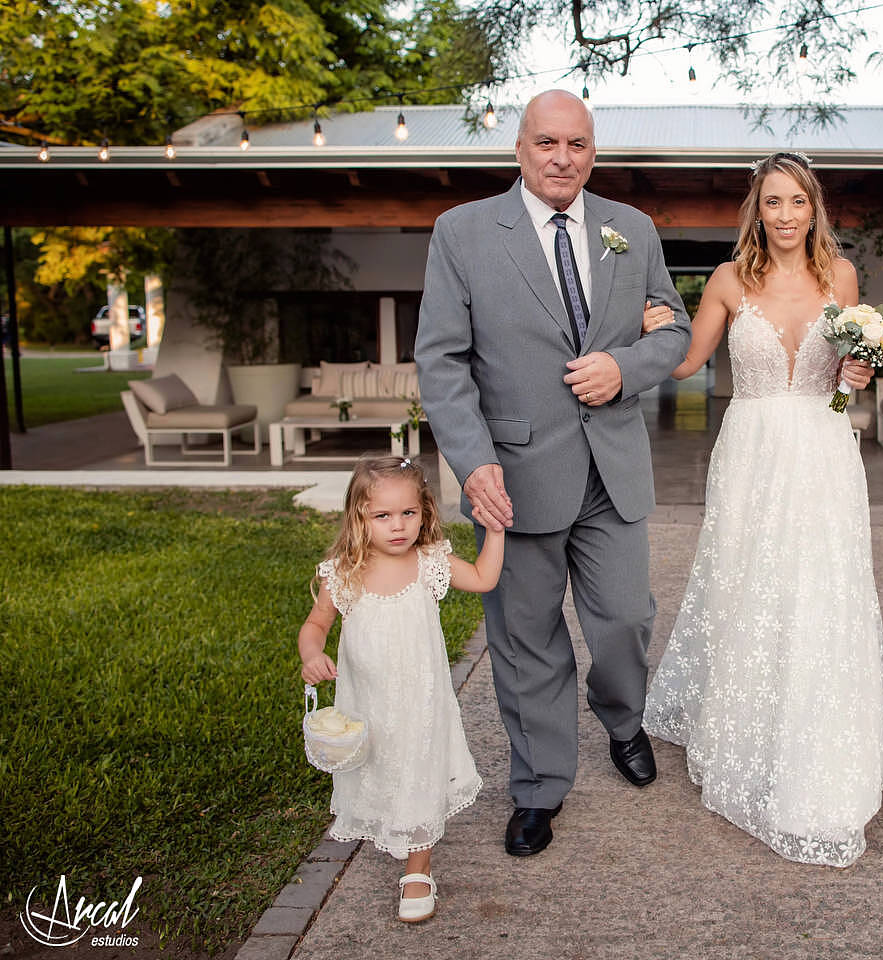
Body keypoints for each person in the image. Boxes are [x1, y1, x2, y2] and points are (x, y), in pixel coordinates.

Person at [414, 89, 692, 858]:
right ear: (520, 150)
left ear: (593, 152)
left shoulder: (630, 231)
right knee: (527, 637)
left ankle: (623, 720)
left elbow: (673, 326)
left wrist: (625, 367)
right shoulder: (463, 233)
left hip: (613, 470)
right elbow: (441, 362)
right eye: (546, 143)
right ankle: (538, 787)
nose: (562, 158)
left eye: (576, 144)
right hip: (515, 474)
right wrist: (472, 464)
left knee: (626, 619)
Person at [640, 151, 883, 868]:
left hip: (823, 448)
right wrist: (651, 328)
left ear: (814, 208)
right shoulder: (728, 280)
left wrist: (857, 377)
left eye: (796, 202)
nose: (784, 215)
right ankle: (745, 731)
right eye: (771, 202)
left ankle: (818, 740)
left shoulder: (840, 279)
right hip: (750, 451)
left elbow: (847, 390)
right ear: (756, 210)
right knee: (750, 584)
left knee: (821, 589)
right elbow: (689, 364)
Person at [297, 456, 505, 923]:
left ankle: (418, 867)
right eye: (382, 516)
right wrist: (312, 654)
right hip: (368, 705)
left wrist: (495, 531)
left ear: (424, 512)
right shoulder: (344, 571)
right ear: (359, 517)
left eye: (408, 513)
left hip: (421, 704)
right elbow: (316, 624)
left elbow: (484, 578)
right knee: (381, 770)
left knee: (418, 770)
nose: (398, 527)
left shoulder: (428, 562)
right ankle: (397, 829)